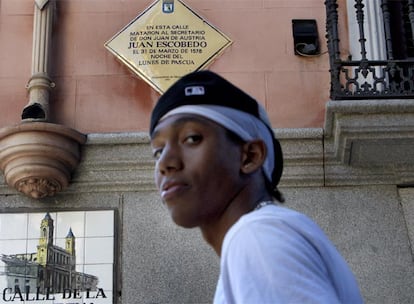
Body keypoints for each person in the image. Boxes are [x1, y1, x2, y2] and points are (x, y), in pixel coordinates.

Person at [149, 70, 363, 303]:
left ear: (250, 156)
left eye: (192, 138)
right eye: (158, 151)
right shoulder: (257, 239)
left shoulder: (256, 236)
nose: (166, 163)